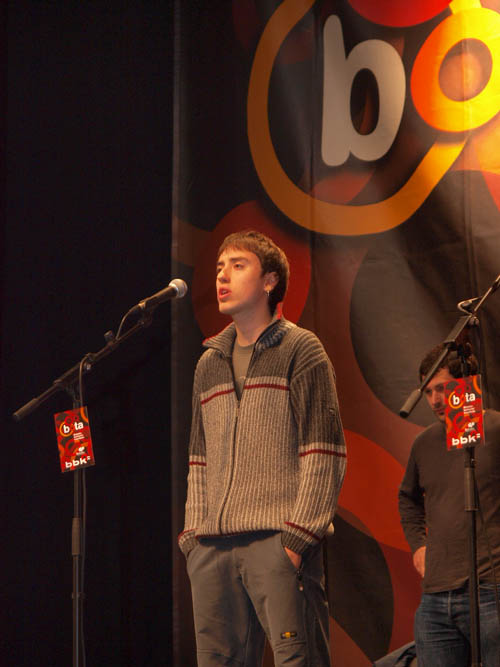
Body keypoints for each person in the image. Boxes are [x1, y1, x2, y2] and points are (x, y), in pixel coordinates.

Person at [178, 230, 346, 666]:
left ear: (270, 281)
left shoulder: (301, 349)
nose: (223, 276)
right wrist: (194, 538)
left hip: (277, 542)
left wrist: (296, 539)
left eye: (238, 266)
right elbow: (199, 461)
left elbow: (323, 453)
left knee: (297, 659)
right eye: (220, 267)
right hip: (213, 548)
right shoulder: (208, 363)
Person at [398, 344, 500, 666]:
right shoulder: (424, 443)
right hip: (437, 596)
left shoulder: (496, 429)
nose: (435, 400)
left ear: (465, 383)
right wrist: (418, 545)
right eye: (428, 392)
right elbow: (407, 498)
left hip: (491, 588)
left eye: (441, 389)